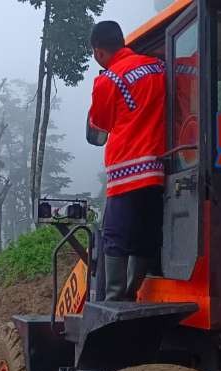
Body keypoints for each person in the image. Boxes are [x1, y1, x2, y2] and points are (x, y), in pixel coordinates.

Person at [88, 20, 167, 301]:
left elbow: (100, 123)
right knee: (145, 235)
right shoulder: (159, 68)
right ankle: (132, 292)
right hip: (158, 169)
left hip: (125, 171)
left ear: (99, 52)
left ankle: (113, 299)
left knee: (115, 236)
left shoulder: (107, 80)